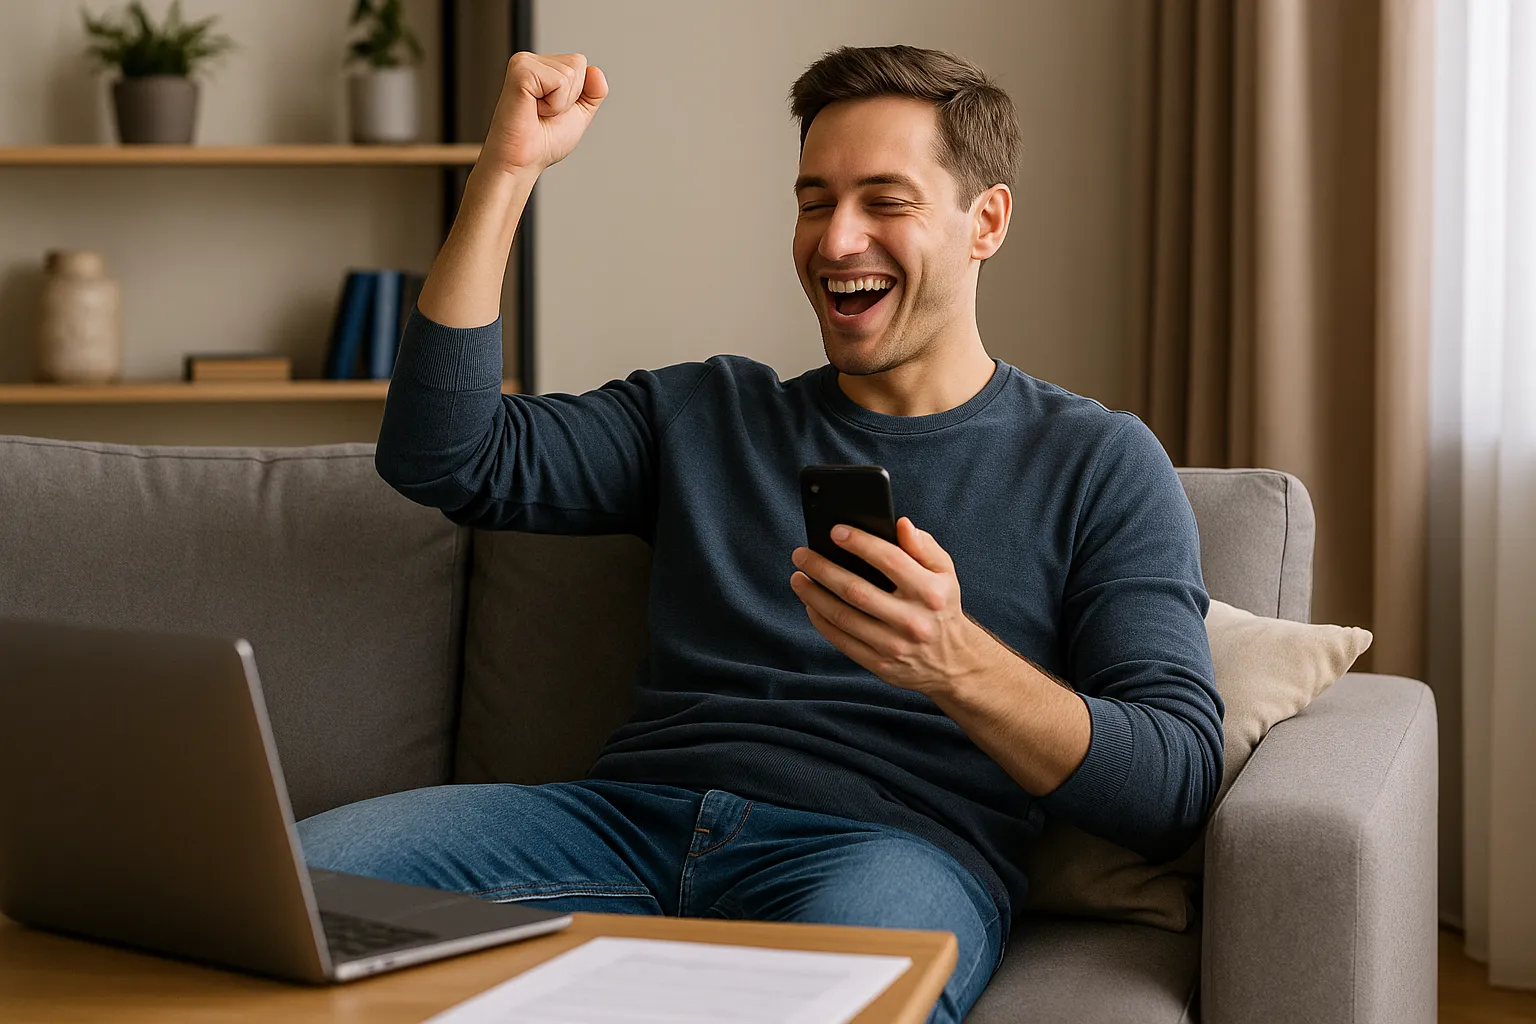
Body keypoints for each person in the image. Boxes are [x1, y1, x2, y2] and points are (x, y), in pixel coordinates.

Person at [298, 44, 1223, 1023]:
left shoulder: (1099, 461)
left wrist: (954, 661)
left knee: (833, 999)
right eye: (815, 200)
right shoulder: (704, 412)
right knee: (297, 885)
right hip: (618, 828)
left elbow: (1172, 783)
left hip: (889, 854)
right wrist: (506, 170)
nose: (836, 240)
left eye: (884, 200)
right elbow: (443, 456)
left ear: (984, 221)